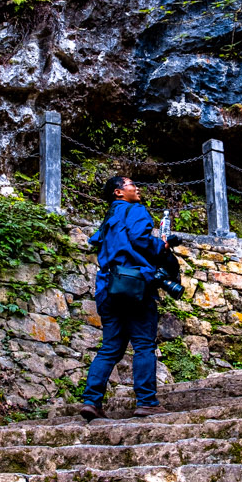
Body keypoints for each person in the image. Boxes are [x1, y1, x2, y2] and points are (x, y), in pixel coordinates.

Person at [81, 173, 169, 420]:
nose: (137, 188)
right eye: (132, 185)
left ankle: (92, 401)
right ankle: (147, 402)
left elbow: (99, 243)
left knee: (110, 347)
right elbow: (141, 241)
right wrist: (161, 245)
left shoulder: (108, 218)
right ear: (118, 192)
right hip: (134, 285)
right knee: (142, 344)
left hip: (108, 287)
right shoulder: (136, 210)